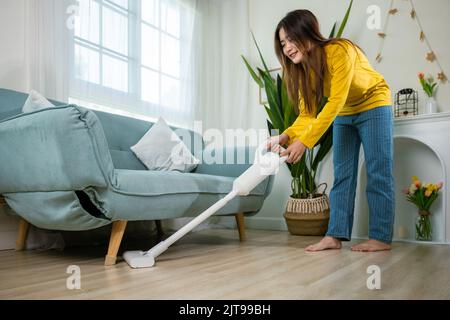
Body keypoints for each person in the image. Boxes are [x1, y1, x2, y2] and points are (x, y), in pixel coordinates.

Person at [267, 9, 395, 252]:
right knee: (342, 174)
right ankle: (334, 236)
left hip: (374, 103)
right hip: (344, 112)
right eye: (282, 43)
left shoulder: (339, 50)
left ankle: (380, 237)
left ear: (307, 33)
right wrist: (286, 136)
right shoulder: (303, 71)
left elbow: (335, 100)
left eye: (290, 39)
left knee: (379, 169)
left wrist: (304, 143)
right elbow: (307, 115)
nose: (287, 48)